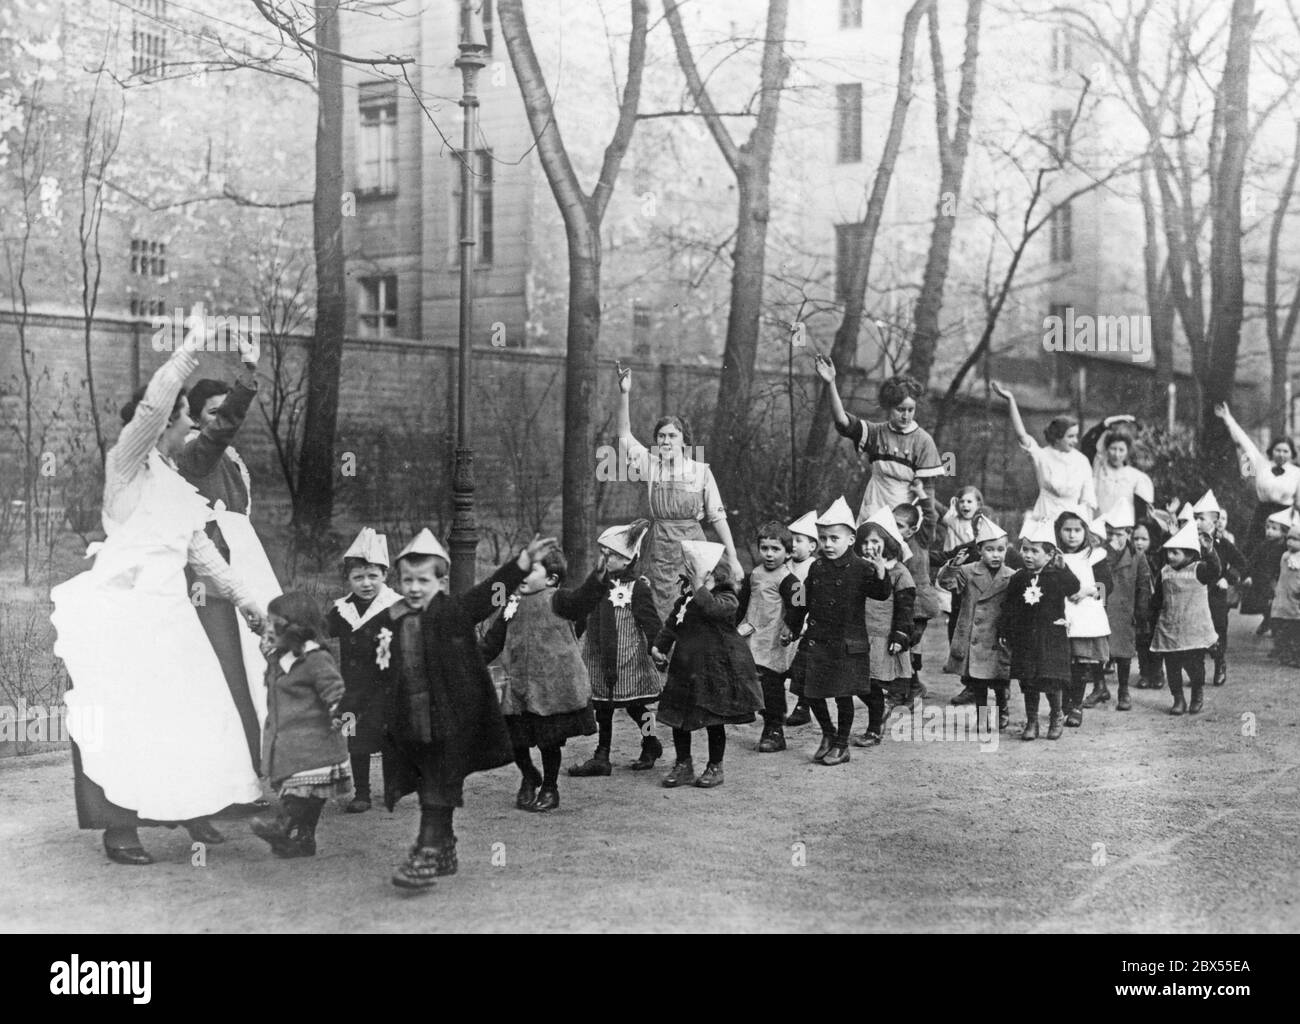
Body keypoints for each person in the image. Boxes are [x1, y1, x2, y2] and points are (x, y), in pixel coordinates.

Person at [50, 321, 267, 865]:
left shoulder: (176, 485)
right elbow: (151, 411)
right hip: (119, 612)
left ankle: (190, 804)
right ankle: (118, 828)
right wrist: (189, 349)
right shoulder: (125, 467)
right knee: (123, 717)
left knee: (195, 708)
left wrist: (255, 607)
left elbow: (207, 559)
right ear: (165, 424)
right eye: (186, 418)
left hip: (169, 614)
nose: (192, 425)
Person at [382, 529, 557, 890]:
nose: (415, 588)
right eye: (407, 580)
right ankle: (444, 849)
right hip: (415, 724)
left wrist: (521, 564)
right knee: (433, 785)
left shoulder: (453, 611)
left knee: (437, 787)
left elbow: (487, 595)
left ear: (440, 580)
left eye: (423, 580)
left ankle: (426, 853)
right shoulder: (394, 617)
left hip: (449, 721)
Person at [176, 345, 281, 775]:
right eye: (212, 412)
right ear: (197, 418)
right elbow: (221, 433)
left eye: (224, 411)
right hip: (211, 576)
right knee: (228, 668)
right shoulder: (193, 453)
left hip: (244, 565)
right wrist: (246, 382)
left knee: (261, 660)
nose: (219, 420)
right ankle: (233, 771)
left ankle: (267, 758)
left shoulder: (230, 459)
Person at [614, 364, 742, 621]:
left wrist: (735, 558)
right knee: (660, 608)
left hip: (693, 548)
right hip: (660, 549)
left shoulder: (701, 471)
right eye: (661, 436)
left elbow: (718, 518)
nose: (666, 441)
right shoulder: (651, 465)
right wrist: (624, 393)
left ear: (685, 441)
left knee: (695, 605)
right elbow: (624, 434)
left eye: (672, 436)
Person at [480, 548, 599, 813]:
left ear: (551, 580)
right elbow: (492, 641)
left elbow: (582, 604)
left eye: (531, 570)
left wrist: (601, 576)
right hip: (518, 685)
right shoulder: (512, 602)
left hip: (550, 688)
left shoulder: (559, 600)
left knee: (548, 740)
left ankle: (549, 788)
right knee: (515, 739)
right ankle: (528, 776)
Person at [785, 497, 893, 765]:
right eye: (823, 538)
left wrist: (881, 573)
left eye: (834, 538)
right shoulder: (816, 567)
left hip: (847, 644)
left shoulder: (862, 568)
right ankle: (828, 733)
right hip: (817, 641)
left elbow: (880, 594)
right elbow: (803, 599)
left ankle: (842, 744)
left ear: (851, 539)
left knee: (843, 696)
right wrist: (793, 625)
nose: (828, 544)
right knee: (810, 692)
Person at [650, 541, 762, 789]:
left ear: (716, 574)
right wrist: (659, 646)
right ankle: (683, 764)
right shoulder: (686, 601)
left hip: (714, 671)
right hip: (685, 669)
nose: (695, 581)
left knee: (714, 720)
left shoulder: (727, 597)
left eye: (702, 575)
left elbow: (712, 609)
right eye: (693, 576)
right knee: (678, 719)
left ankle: (715, 766)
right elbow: (671, 625)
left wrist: (699, 588)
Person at [251, 592, 351, 858]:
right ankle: (303, 839)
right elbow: (268, 645)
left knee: (300, 791)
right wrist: (259, 628)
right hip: (291, 743)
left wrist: (338, 714)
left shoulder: (315, 659)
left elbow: (335, 690)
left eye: (275, 623)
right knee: (308, 793)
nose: (269, 628)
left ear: (296, 629)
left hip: (314, 742)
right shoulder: (280, 656)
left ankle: (282, 825)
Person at [568, 521, 665, 777]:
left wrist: (657, 646)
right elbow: (582, 612)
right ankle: (602, 755)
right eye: (603, 552)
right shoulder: (597, 583)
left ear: (626, 560)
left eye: (610, 554)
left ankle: (651, 741)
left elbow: (651, 621)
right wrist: (571, 636)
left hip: (628, 658)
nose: (604, 558)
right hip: (599, 655)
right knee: (603, 706)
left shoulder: (637, 587)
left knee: (635, 706)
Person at [814, 355, 946, 524]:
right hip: (872, 513)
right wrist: (830, 383)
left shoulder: (923, 441)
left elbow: (928, 493)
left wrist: (927, 532)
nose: (906, 416)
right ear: (889, 407)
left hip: (903, 521)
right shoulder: (876, 433)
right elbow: (842, 421)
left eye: (910, 410)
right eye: (900, 409)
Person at [326, 528, 401, 813]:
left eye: (373, 576)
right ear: (348, 580)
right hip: (353, 690)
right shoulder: (342, 610)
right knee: (357, 742)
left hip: (387, 686)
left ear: (385, 576)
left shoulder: (395, 607)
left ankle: (393, 787)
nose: (366, 583)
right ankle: (362, 793)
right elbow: (324, 632)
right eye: (358, 577)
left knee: (390, 739)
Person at [999, 520, 1080, 741]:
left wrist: (1064, 567)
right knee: (1029, 681)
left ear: (1049, 554)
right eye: (1025, 549)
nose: (1028, 555)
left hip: (1051, 637)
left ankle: (1056, 716)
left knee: (1051, 679)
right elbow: (1009, 606)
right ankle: (1032, 721)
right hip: (1026, 638)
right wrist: (1005, 631)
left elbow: (1074, 587)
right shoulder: (1019, 577)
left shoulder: (1056, 576)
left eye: (1035, 551)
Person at [936, 517, 1015, 731]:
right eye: (990, 549)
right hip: (975, 635)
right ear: (980, 550)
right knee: (978, 681)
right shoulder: (968, 571)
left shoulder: (1012, 576)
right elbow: (946, 583)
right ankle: (981, 716)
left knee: (999, 680)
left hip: (998, 637)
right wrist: (953, 565)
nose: (996, 554)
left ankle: (1002, 709)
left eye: (1000, 549)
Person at [991, 381, 1097, 533]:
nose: (1075, 440)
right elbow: (1022, 435)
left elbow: (1088, 499)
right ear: (1058, 437)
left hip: (1072, 522)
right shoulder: (1042, 455)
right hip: (1046, 516)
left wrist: (1089, 529)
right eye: (1070, 436)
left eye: (1076, 436)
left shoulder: (1082, 460)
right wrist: (1011, 400)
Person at [850, 508, 916, 747]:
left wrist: (900, 633)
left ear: (887, 542)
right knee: (856, 682)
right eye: (865, 542)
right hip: (858, 634)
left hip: (881, 636)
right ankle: (882, 710)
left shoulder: (899, 572)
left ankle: (873, 728)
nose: (869, 547)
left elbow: (905, 607)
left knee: (873, 684)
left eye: (875, 542)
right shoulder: (858, 568)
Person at [735, 521, 801, 752]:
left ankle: (775, 729)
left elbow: (799, 606)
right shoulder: (754, 574)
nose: (770, 554)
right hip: (753, 636)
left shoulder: (789, 580)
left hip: (774, 640)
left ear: (788, 552)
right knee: (754, 680)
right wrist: (735, 625)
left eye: (776, 549)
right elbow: (743, 603)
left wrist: (790, 629)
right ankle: (760, 717)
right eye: (765, 548)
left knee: (771, 685)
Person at [1149, 522, 1222, 716]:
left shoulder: (1199, 569)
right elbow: (1157, 598)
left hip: (1194, 627)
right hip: (1170, 627)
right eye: (1169, 552)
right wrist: (1151, 618)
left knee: (1194, 666)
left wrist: (1209, 550)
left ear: (1189, 553)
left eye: (1176, 552)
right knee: (1172, 667)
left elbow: (1215, 570)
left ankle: (1197, 694)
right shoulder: (1164, 572)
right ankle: (1178, 698)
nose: (1170, 556)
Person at [1213, 403, 1300, 557]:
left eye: (1285, 451)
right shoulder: (1262, 465)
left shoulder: (1297, 473)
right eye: (1278, 450)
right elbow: (1245, 442)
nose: (1281, 454)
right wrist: (1228, 418)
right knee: (1254, 550)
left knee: (1282, 554)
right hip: (1262, 514)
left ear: (1291, 453)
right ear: (1272, 451)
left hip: (1286, 517)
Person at [1088, 506, 1153, 712]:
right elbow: (1093, 580)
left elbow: (1143, 583)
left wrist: (1142, 610)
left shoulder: (1137, 556)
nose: (1114, 538)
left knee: (1124, 653)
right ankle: (1100, 687)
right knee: (1097, 649)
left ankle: (1123, 690)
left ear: (1128, 534)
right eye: (1110, 533)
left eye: (1119, 533)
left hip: (1126, 611)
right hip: (1102, 608)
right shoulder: (1099, 554)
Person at [1055, 510, 1112, 728]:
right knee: (1062, 665)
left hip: (1085, 614)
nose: (1072, 535)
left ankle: (1077, 706)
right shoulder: (1055, 555)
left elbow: (1107, 584)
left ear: (1085, 531)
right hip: (1062, 613)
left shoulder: (1095, 555)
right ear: (1059, 531)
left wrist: (1087, 591)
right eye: (1067, 530)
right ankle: (1063, 705)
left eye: (1077, 530)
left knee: (1080, 665)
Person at [1191, 490, 1245, 687]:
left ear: (1213, 522)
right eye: (1194, 518)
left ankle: (1220, 664)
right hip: (1194, 595)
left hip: (1216, 595)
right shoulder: (1189, 542)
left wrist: (1229, 578)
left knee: (1218, 630)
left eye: (1201, 519)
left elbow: (1242, 563)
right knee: (1196, 632)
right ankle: (1198, 672)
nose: (1196, 523)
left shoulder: (1223, 544)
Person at [895, 479, 940, 705]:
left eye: (900, 526)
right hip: (900, 604)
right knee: (901, 645)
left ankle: (912, 687)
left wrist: (921, 493)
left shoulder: (920, 540)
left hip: (919, 606)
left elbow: (931, 517)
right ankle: (911, 685)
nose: (896, 530)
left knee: (909, 643)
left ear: (912, 529)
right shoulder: (891, 544)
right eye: (893, 524)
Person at [782, 511, 819, 729]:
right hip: (784, 620)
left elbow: (807, 600)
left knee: (802, 668)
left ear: (812, 546)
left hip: (803, 623)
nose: (793, 545)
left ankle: (802, 707)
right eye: (791, 540)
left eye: (799, 540)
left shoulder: (812, 568)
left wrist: (804, 623)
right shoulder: (785, 564)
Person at [1080, 415, 1155, 523]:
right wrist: (1105, 424)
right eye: (1113, 449)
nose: (1116, 454)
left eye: (1121, 450)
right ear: (1106, 449)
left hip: (1123, 528)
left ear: (1127, 451)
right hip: (1100, 525)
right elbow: (1087, 443)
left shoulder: (1136, 476)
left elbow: (1143, 512)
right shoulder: (1098, 467)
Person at [1243, 509, 1293, 635]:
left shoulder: (1285, 548)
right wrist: (1248, 575)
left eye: (1274, 529)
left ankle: (1275, 626)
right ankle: (1267, 620)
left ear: (1284, 532)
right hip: (1262, 579)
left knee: (1276, 604)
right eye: (1268, 528)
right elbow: (1253, 560)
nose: (1269, 531)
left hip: (1277, 579)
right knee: (1264, 603)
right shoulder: (1263, 545)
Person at [1131, 522, 1166, 690]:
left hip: (1156, 604)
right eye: (1136, 538)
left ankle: (1158, 672)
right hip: (1138, 604)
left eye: (1144, 539)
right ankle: (1144, 672)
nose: (1139, 543)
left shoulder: (1158, 557)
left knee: (1156, 637)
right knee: (1141, 640)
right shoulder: (1132, 557)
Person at [1270, 523, 1300, 667]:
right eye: (1288, 539)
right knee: (1282, 628)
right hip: (1283, 598)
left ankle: (1296, 656)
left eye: (1295, 539)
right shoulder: (1285, 557)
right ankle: (1284, 654)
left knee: (1296, 630)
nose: (1290, 542)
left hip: (1296, 600)